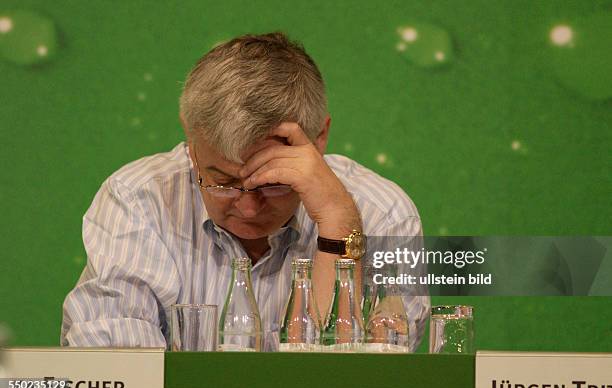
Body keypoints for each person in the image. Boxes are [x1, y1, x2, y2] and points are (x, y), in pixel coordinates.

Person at [61, 32, 429, 351]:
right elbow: (119, 370)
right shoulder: (137, 198)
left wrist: (338, 223)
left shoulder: (386, 213)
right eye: (222, 181)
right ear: (192, 143)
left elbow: (367, 379)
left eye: (273, 183)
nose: (249, 209)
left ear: (319, 140)